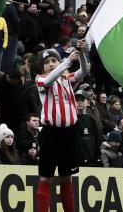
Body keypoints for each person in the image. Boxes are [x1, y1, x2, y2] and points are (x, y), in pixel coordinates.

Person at [34, 42, 88, 212]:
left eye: (53, 61)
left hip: (70, 133)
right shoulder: (41, 79)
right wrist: (66, 61)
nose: (51, 64)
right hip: (51, 134)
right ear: (42, 68)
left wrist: (81, 53)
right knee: (45, 178)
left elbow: (84, 71)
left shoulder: (66, 79)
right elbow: (50, 79)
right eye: (47, 62)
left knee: (67, 178)